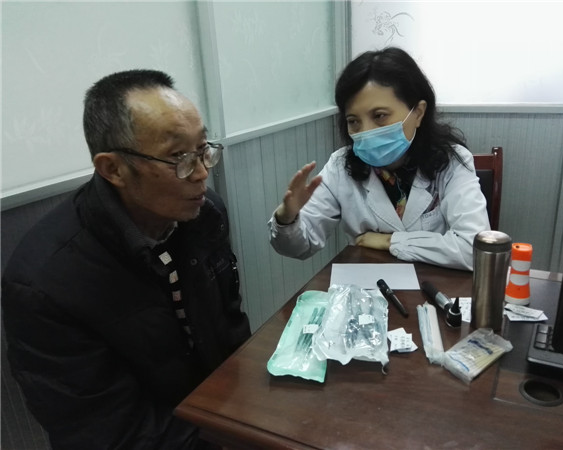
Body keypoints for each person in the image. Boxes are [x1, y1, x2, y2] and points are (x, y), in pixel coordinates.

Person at [2, 70, 251, 449]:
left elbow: (230, 326)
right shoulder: (43, 284)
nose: (202, 173)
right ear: (113, 169)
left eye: (203, 149)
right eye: (178, 157)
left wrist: (251, 416)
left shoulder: (204, 214)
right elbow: (105, 432)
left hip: (217, 421)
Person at [268, 47, 490, 270]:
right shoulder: (340, 166)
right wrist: (287, 218)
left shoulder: (450, 162)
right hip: (366, 285)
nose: (366, 132)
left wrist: (391, 241)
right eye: (354, 121)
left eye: (380, 116)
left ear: (418, 113)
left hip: (436, 283)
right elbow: (300, 247)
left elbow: (475, 250)